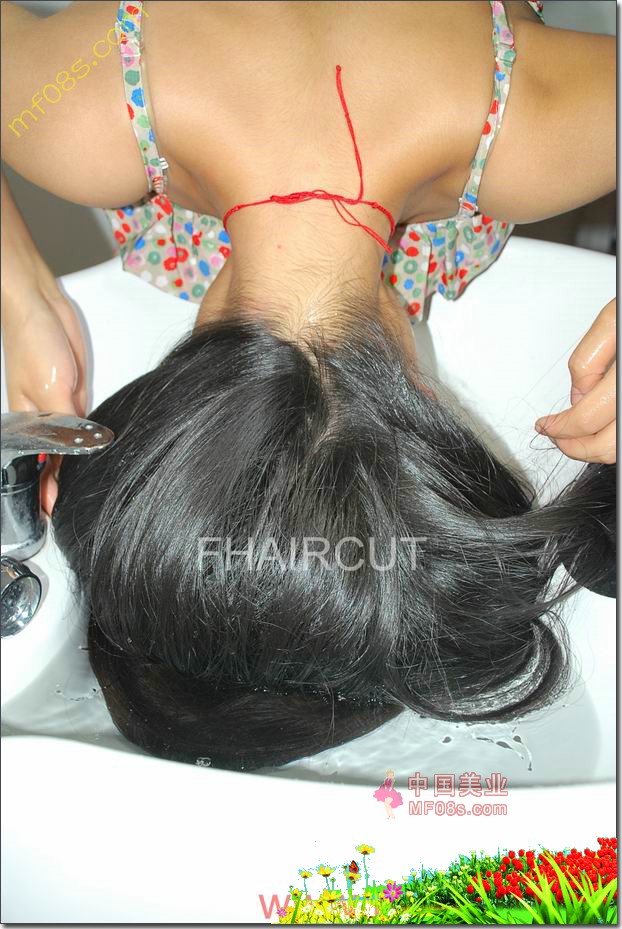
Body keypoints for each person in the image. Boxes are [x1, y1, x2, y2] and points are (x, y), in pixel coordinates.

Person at [1, 1, 616, 772]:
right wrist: (18, 291)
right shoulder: (79, 119)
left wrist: (17, 289)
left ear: (423, 408)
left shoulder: (542, 130)